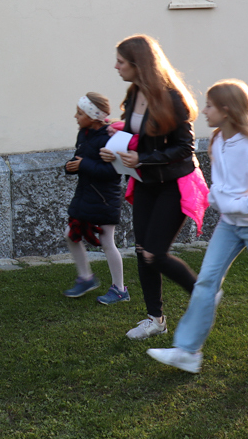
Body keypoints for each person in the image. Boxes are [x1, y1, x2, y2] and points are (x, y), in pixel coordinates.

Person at [147, 80, 248, 381]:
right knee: (205, 282)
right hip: (230, 225)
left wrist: (237, 205)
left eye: (209, 105)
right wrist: (218, 197)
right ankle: (188, 352)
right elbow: (222, 184)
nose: (204, 111)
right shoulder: (219, 139)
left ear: (227, 110)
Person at [99, 35, 199, 340]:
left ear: (138, 64)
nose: (116, 66)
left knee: (155, 253)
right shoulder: (133, 94)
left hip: (172, 184)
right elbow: (139, 137)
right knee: (143, 252)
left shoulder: (172, 98)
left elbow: (185, 147)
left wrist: (143, 158)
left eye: (121, 61)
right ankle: (155, 319)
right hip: (144, 183)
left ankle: (203, 292)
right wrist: (116, 147)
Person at [62, 92, 128, 304]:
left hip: (105, 200)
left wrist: (83, 165)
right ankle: (86, 278)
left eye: (80, 113)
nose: (75, 116)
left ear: (93, 116)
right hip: (85, 196)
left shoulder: (110, 139)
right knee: (71, 234)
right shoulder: (84, 134)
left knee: (107, 242)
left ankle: (120, 289)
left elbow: (113, 172)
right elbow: (79, 159)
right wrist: (71, 166)